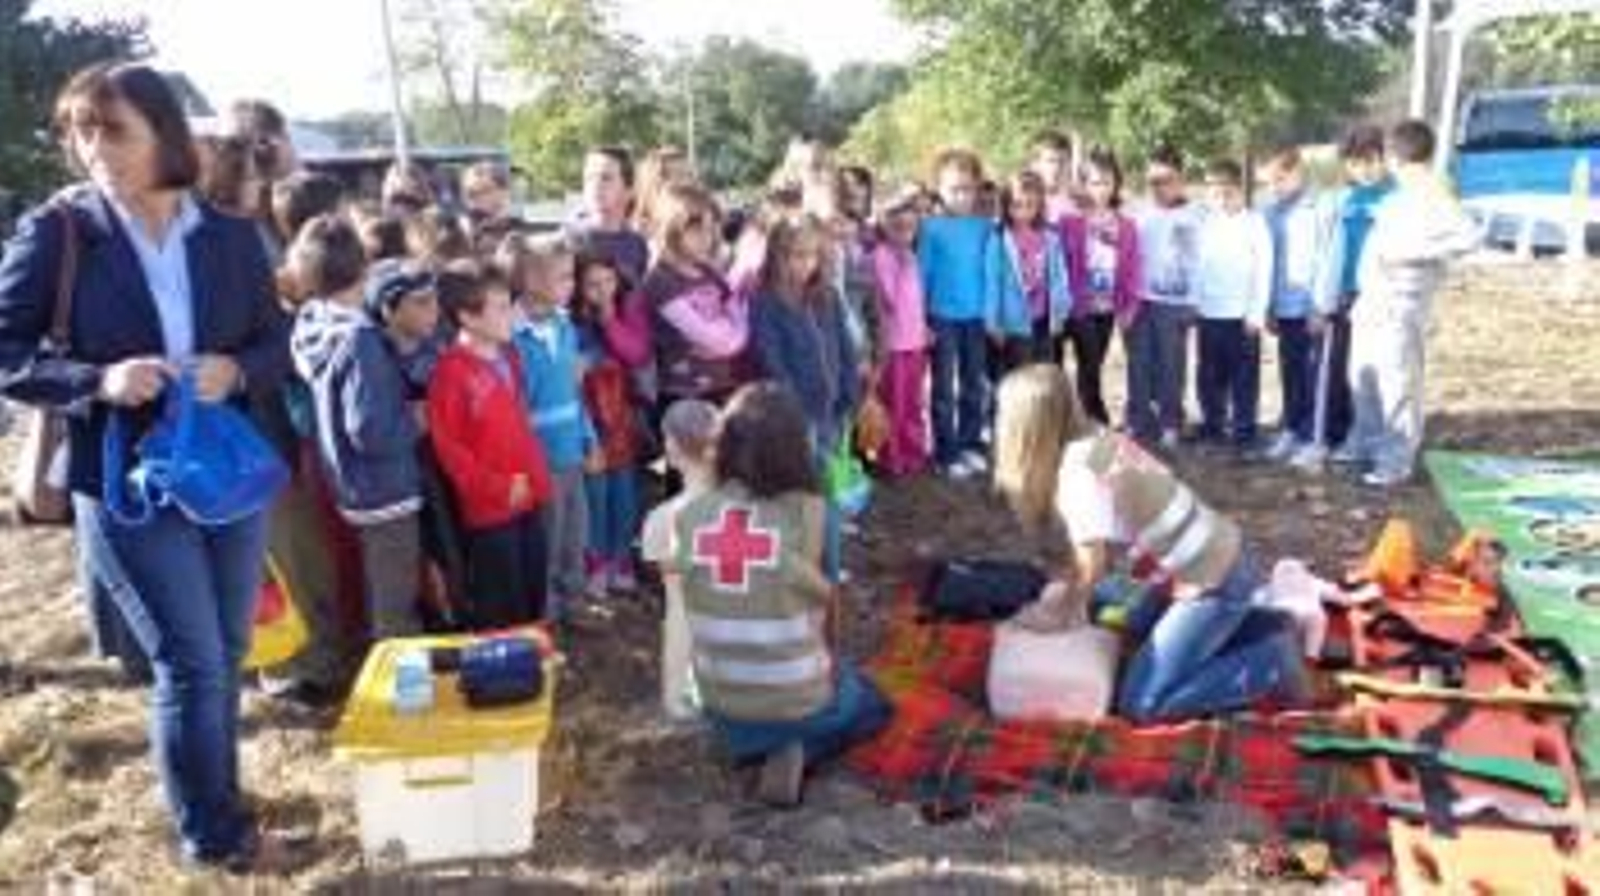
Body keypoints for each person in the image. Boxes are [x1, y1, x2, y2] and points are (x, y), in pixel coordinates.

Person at [0, 63, 290, 870]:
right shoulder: (59, 232)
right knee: (189, 658)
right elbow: (8, 350)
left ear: (165, 132)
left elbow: (275, 346)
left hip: (221, 471)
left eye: (113, 129)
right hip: (123, 477)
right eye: (81, 132)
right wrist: (97, 382)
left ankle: (221, 800)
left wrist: (235, 372)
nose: (96, 149)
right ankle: (213, 836)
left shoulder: (229, 236)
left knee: (226, 649)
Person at [992, 365, 1310, 723]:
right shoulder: (1096, 439)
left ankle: (1270, 664)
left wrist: (1056, 619)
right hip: (1218, 561)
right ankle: (1262, 625)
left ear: (1029, 429)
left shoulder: (1076, 474)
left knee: (1143, 705)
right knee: (1117, 611)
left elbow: (1090, 567)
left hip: (1213, 582)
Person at [666, 383, 891, 807]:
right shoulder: (811, 511)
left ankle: (754, 747)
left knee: (765, 702)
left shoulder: (689, 516)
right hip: (795, 697)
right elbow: (829, 610)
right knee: (870, 703)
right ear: (795, 446)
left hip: (720, 702)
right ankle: (800, 750)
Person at [290, 218, 426, 643]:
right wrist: (414, 421)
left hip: (349, 481)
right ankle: (399, 681)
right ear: (363, 269)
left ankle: (375, 654)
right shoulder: (359, 338)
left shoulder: (312, 322)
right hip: (385, 489)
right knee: (395, 597)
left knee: (373, 580)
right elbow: (369, 429)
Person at [1344, 120, 1478, 488]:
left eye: (1388, 152)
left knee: (1397, 382)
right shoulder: (1397, 196)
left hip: (1403, 302)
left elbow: (1469, 236)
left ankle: (1396, 461)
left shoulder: (1435, 194)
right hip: (1372, 300)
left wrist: (1412, 255)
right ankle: (1367, 446)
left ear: (1399, 156)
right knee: (1362, 375)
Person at [427, 261, 553, 627]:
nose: (513, 313)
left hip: (527, 497)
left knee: (533, 587)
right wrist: (497, 487)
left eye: (510, 303)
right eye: (500, 307)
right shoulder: (451, 375)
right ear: (468, 316)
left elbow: (521, 427)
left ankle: (533, 658)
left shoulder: (509, 356)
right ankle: (506, 672)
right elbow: (451, 452)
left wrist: (536, 481)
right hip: (490, 511)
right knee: (502, 600)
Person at [500, 233, 595, 617]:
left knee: (576, 529)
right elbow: (516, 406)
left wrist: (589, 438)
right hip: (540, 457)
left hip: (571, 448)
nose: (571, 286)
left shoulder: (564, 327)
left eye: (571, 277)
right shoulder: (512, 336)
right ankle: (548, 609)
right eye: (563, 277)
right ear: (531, 281)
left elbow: (574, 393)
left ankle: (573, 598)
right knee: (548, 535)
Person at [1260, 146, 1342, 469]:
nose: (1274, 188)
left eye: (1280, 179)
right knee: (1290, 373)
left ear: (1298, 173)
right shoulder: (1272, 213)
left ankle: (1314, 439)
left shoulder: (1322, 207)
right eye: (1269, 183)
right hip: (1284, 307)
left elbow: (1328, 259)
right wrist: (1268, 306)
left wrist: (1320, 307)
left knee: (1313, 376)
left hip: (1311, 310)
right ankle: (1293, 428)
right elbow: (1270, 262)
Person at [640, 398, 720, 721]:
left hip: (683, 624)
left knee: (679, 626)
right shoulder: (744, 510)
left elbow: (660, 568)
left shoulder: (661, 518)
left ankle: (680, 700)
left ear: (672, 448)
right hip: (732, 632)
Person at [573, 252, 646, 597]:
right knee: (595, 492)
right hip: (589, 421)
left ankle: (621, 560)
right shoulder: (571, 325)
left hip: (621, 419)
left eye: (608, 283)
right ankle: (596, 562)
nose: (602, 291)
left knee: (624, 491)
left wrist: (609, 321)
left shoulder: (627, 313)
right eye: (592, 285)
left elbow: (636, 354)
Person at [918, 148, 993, 480]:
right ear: (939, 189)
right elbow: (922, 276)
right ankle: (946, 452)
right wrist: (922, 319)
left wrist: (993, 314)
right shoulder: (931, 228)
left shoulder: (985, 226)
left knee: (974, 384)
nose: (962, 196)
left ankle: (971, 443)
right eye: (954, 189)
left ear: (977, 189)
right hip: (941, 316)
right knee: (944, 387)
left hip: (976, 317)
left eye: (968, 188)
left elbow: (992, 271)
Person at [642, 183, 751, 412]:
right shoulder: (660, 281)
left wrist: (735, 334)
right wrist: (731, 335)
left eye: (712, 229)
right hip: (684, 396)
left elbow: (737, 311)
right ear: (672, 228)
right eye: (697, 230)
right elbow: (714, 339)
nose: (708, 238)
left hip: (722, 387)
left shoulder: (708, 271)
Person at [1325, 125, 1396, 463]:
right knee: (1346, 369)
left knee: (1379, 371)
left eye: (1369, 161)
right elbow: (1334, 251)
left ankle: (1381, 439)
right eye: (1355, 163)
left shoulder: (1396, 197)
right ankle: (1349, 436)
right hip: (1347, 295)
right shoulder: (1345, 199)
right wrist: (1334, 291)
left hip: (1382, 297)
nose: (1363, 169)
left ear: (1383, 158)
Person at [1193, 158, 1272, 450]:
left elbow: (1264, 270)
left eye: (1227, 192)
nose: (1221, 199)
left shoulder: (1254, 222)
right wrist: (1195, 304)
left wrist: (1256, 314)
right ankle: (1213, 424)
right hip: (1209, 313)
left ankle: (1244, 431)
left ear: (1239, 190)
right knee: (1209, 375)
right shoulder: (1206, 223)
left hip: (1242, 317)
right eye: (1214, 193)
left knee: (1243, 377)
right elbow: (1198, 266)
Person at [1128, 145, 1203, 448]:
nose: (1158, 188)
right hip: (1140, 301)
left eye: (1165, 180)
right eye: (1152, 182)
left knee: (1172, 365)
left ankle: (1171, 422)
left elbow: (1199, 262)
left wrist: (1193, 302)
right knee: (1139, 364)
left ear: (1180, 179)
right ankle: (1138, 422)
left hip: (1175, 303)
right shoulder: (1140, 214)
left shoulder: (1193, 216)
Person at [1061, 147, 1140, 426]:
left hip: (1105, 309)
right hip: (1073, 308)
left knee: (1092, 369)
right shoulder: (1069, 221)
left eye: (1107, 181)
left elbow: (1132, 267)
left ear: (1116, 183)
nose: (1101, 188)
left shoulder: (1126, 225)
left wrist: (1129, 305)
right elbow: (1061, 263)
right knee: (1062, 372)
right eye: (1094, 182)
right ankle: (1077, 424)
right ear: (1083, 184)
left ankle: (1093, 426)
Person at [870, 186, 932, 478]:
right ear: (884, 224)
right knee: (893, 406)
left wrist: (924, 328)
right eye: (898, 224)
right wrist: (903, 264)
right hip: (892, 347)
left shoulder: (912, 254)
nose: (906, 230)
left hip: (915, 343)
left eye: (911, 225)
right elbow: (891, 300)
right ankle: (890, 459)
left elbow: (916, 301)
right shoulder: (881, 256)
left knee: (913, 404)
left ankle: (914, 453)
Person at [985, 170, 1072, 372]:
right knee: (1019, 376)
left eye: (1030, 205)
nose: (1023, 212)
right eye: (1017, 205)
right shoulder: (999, 240)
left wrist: (1060, 312)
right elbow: (992, 282)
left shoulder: (1050, 238)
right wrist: (992, 322)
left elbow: (1059, 278)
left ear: (1039, 205)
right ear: (1006, 206)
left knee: (1043, 374)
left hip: (1044, 320)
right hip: (1014, 324)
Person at [571, 145, 651, 285]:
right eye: (589, 178)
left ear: (629, 191)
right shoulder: (569, 241)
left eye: (606, 178)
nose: (595, 185)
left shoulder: (637, 244)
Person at [1030, 129, 1080, 222]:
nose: (1057, 167)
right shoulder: (1021, 205)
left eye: (1062, 161)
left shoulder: (1075, 208)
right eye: (1051, 161)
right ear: (1035, 164)